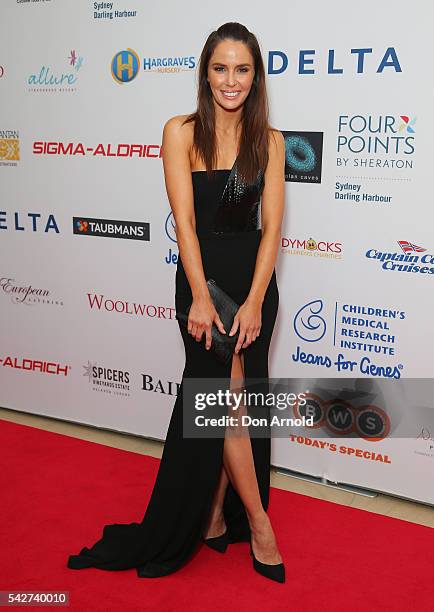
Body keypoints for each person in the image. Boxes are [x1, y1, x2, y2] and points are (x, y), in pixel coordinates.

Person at [67, 21, 285, 584]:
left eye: (241, 69)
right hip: (202, 287)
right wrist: (197, 297)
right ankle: (260, 524)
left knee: (228, 402)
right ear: (205, 73)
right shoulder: (181, 132)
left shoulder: (272, 142)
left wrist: (257, 299)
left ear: (255, 75)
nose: (230, 81)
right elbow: (185, 225)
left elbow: (271, 233)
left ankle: (214, 516)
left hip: (254, 286)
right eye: (220, 68)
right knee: (225, 401)